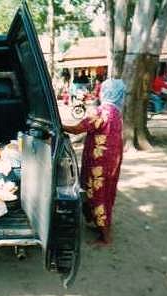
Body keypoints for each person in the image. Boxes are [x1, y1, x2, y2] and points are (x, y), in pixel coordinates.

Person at [63, 78, 126, 246]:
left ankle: (105, 237)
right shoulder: (116, 112)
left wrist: (59, 125)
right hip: (112, 161)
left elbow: (78, 128)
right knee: (107, 192)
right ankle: (102, 226)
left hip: (99, 163)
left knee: (98, 194)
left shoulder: (102, 111)